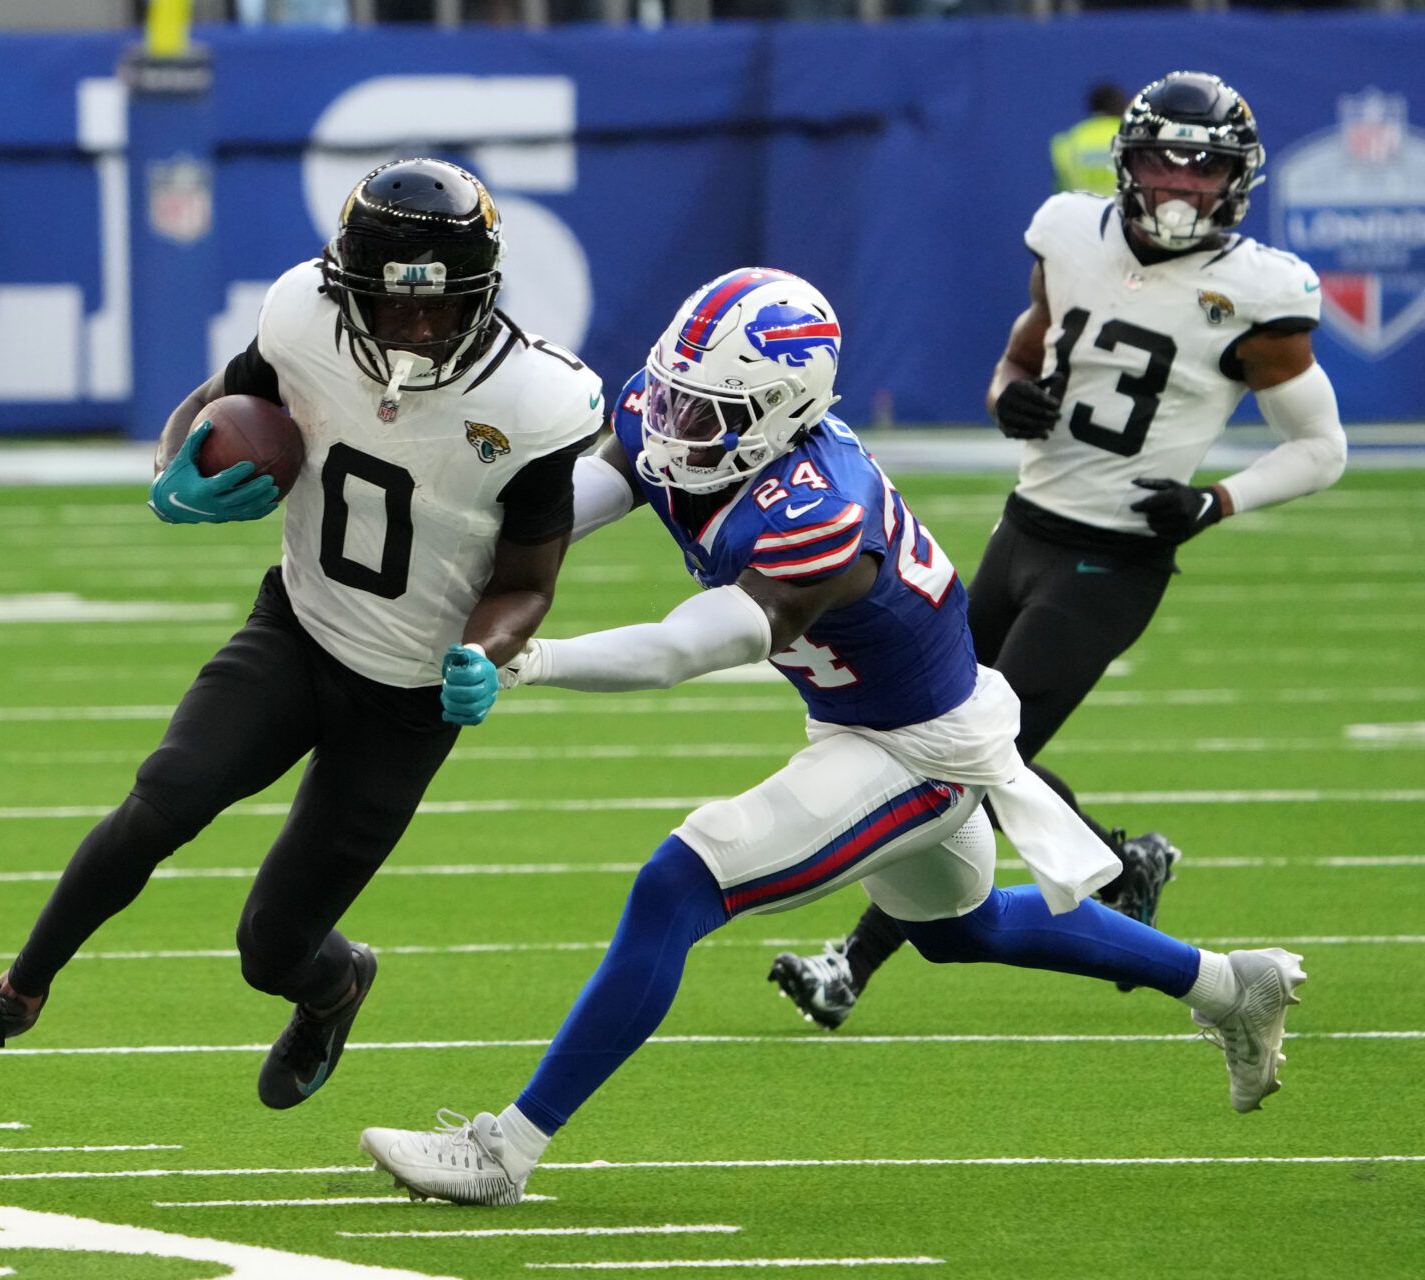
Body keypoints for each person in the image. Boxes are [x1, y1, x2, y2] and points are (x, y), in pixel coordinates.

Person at [356, 267, 1309, 1207]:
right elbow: (594, 489)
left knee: (678, 884)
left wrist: (533, 660)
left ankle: (505, 1151)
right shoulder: (690, 410)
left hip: (918, 749)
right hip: (878, 715)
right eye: (677, 400)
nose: (677, 428)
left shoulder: (820, 512)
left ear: (783, 412)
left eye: (708, 414)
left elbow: (693, 644)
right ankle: (1234, 985)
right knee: (959, 929)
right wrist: (469, 541)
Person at [0, 158, 605, 1110]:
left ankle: (335, 989)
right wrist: (168, 470)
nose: (420, 329)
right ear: (349, 288)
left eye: (441, 307)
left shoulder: (534, 402)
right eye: (396, 306)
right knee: (165, 794)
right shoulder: (302, 317)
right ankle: (9, 999)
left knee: (272, 945)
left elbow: (526, 580)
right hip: (300, 627)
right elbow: (213, 399)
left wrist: (487, 650)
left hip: (409, 694)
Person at [770, 70, 1346, 1031]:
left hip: (1115, 556)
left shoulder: (1259, 290)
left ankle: (852, 965)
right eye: (1162, 162)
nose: (1177, 187)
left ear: (1237, 183)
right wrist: (1006, 392)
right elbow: (1026, 345)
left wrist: (1215, 502)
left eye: (1202, 172)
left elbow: (1322, 448)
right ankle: (1123, 865)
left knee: (970, 753)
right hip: (1025, 524)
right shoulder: (1070, 232)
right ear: (1127, 165)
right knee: (945, 732)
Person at [1051, 83, 1129, 195]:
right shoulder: (1133, 136)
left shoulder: (1069, 141)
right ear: (1122, 105)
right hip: (1125, 210)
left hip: (1080, 210)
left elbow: (1062, 188)